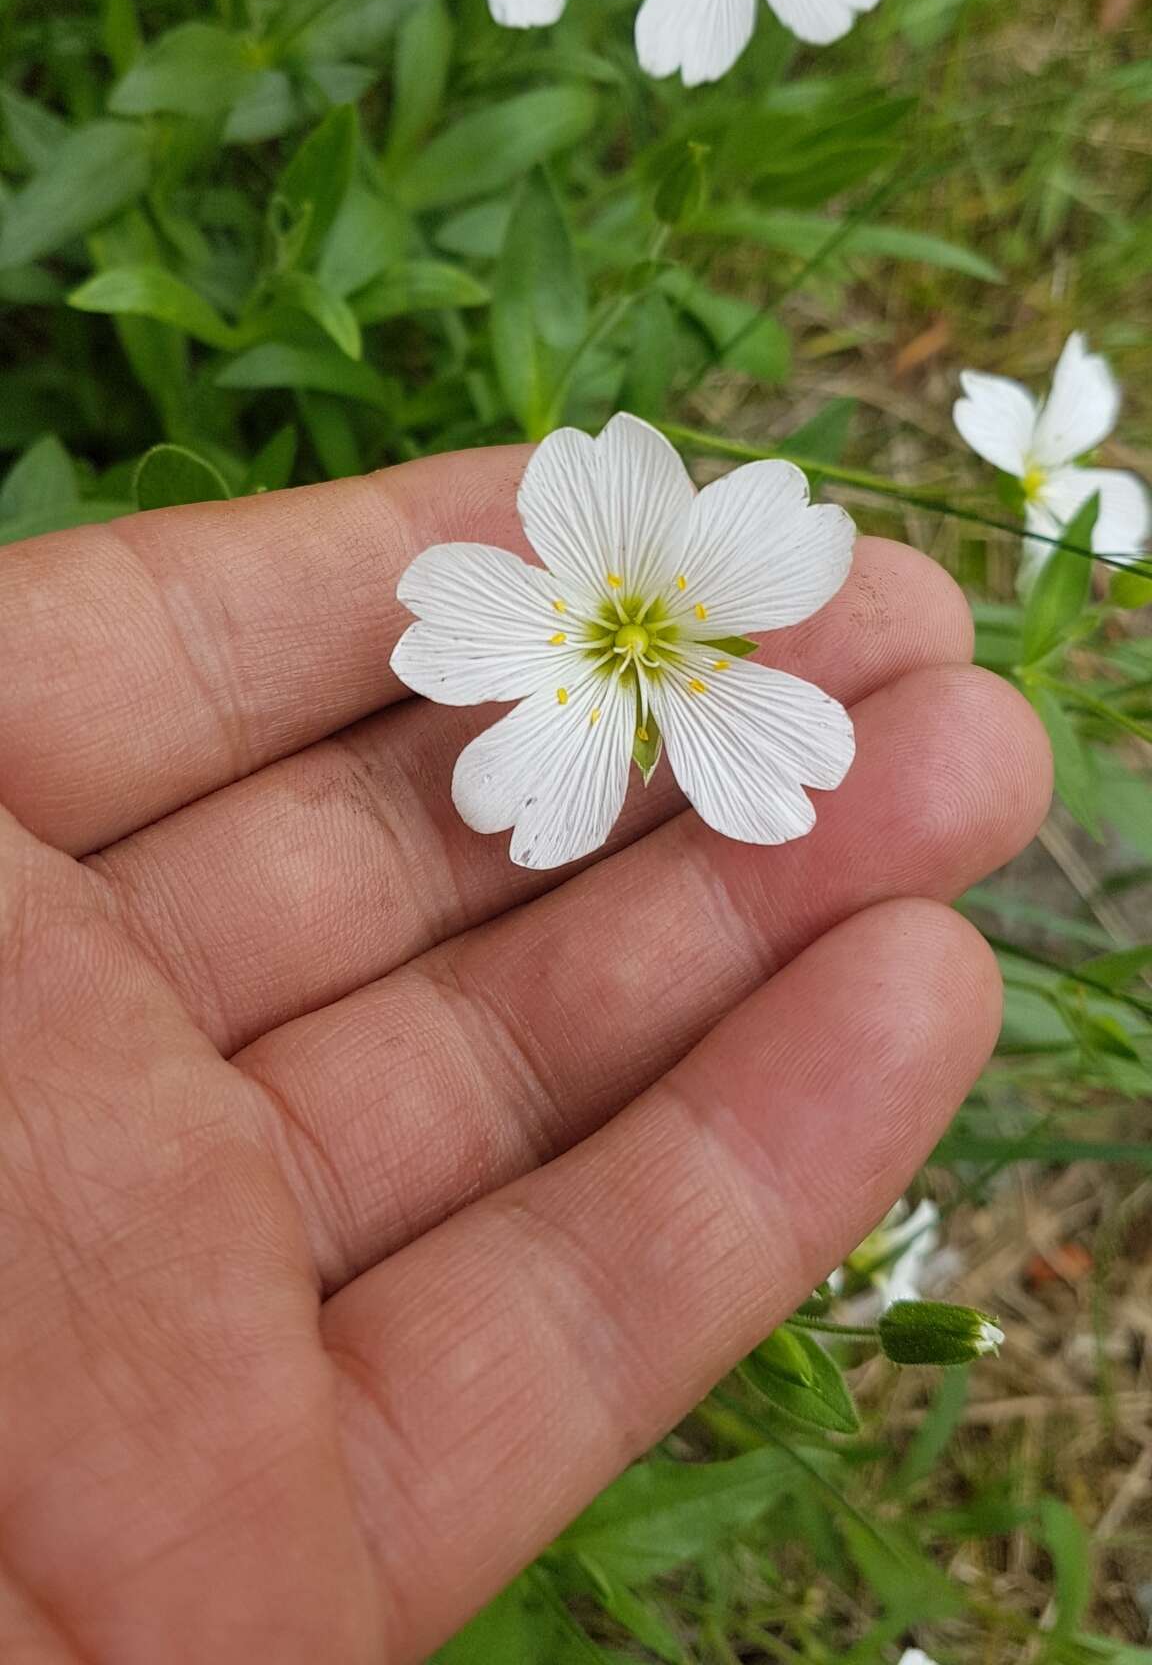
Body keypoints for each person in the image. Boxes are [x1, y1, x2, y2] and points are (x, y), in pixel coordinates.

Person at [0, 444, 1051, 1663]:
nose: (646, 642)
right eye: (637, 630)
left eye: (657, 636)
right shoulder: (600, 636)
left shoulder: (665, 655)